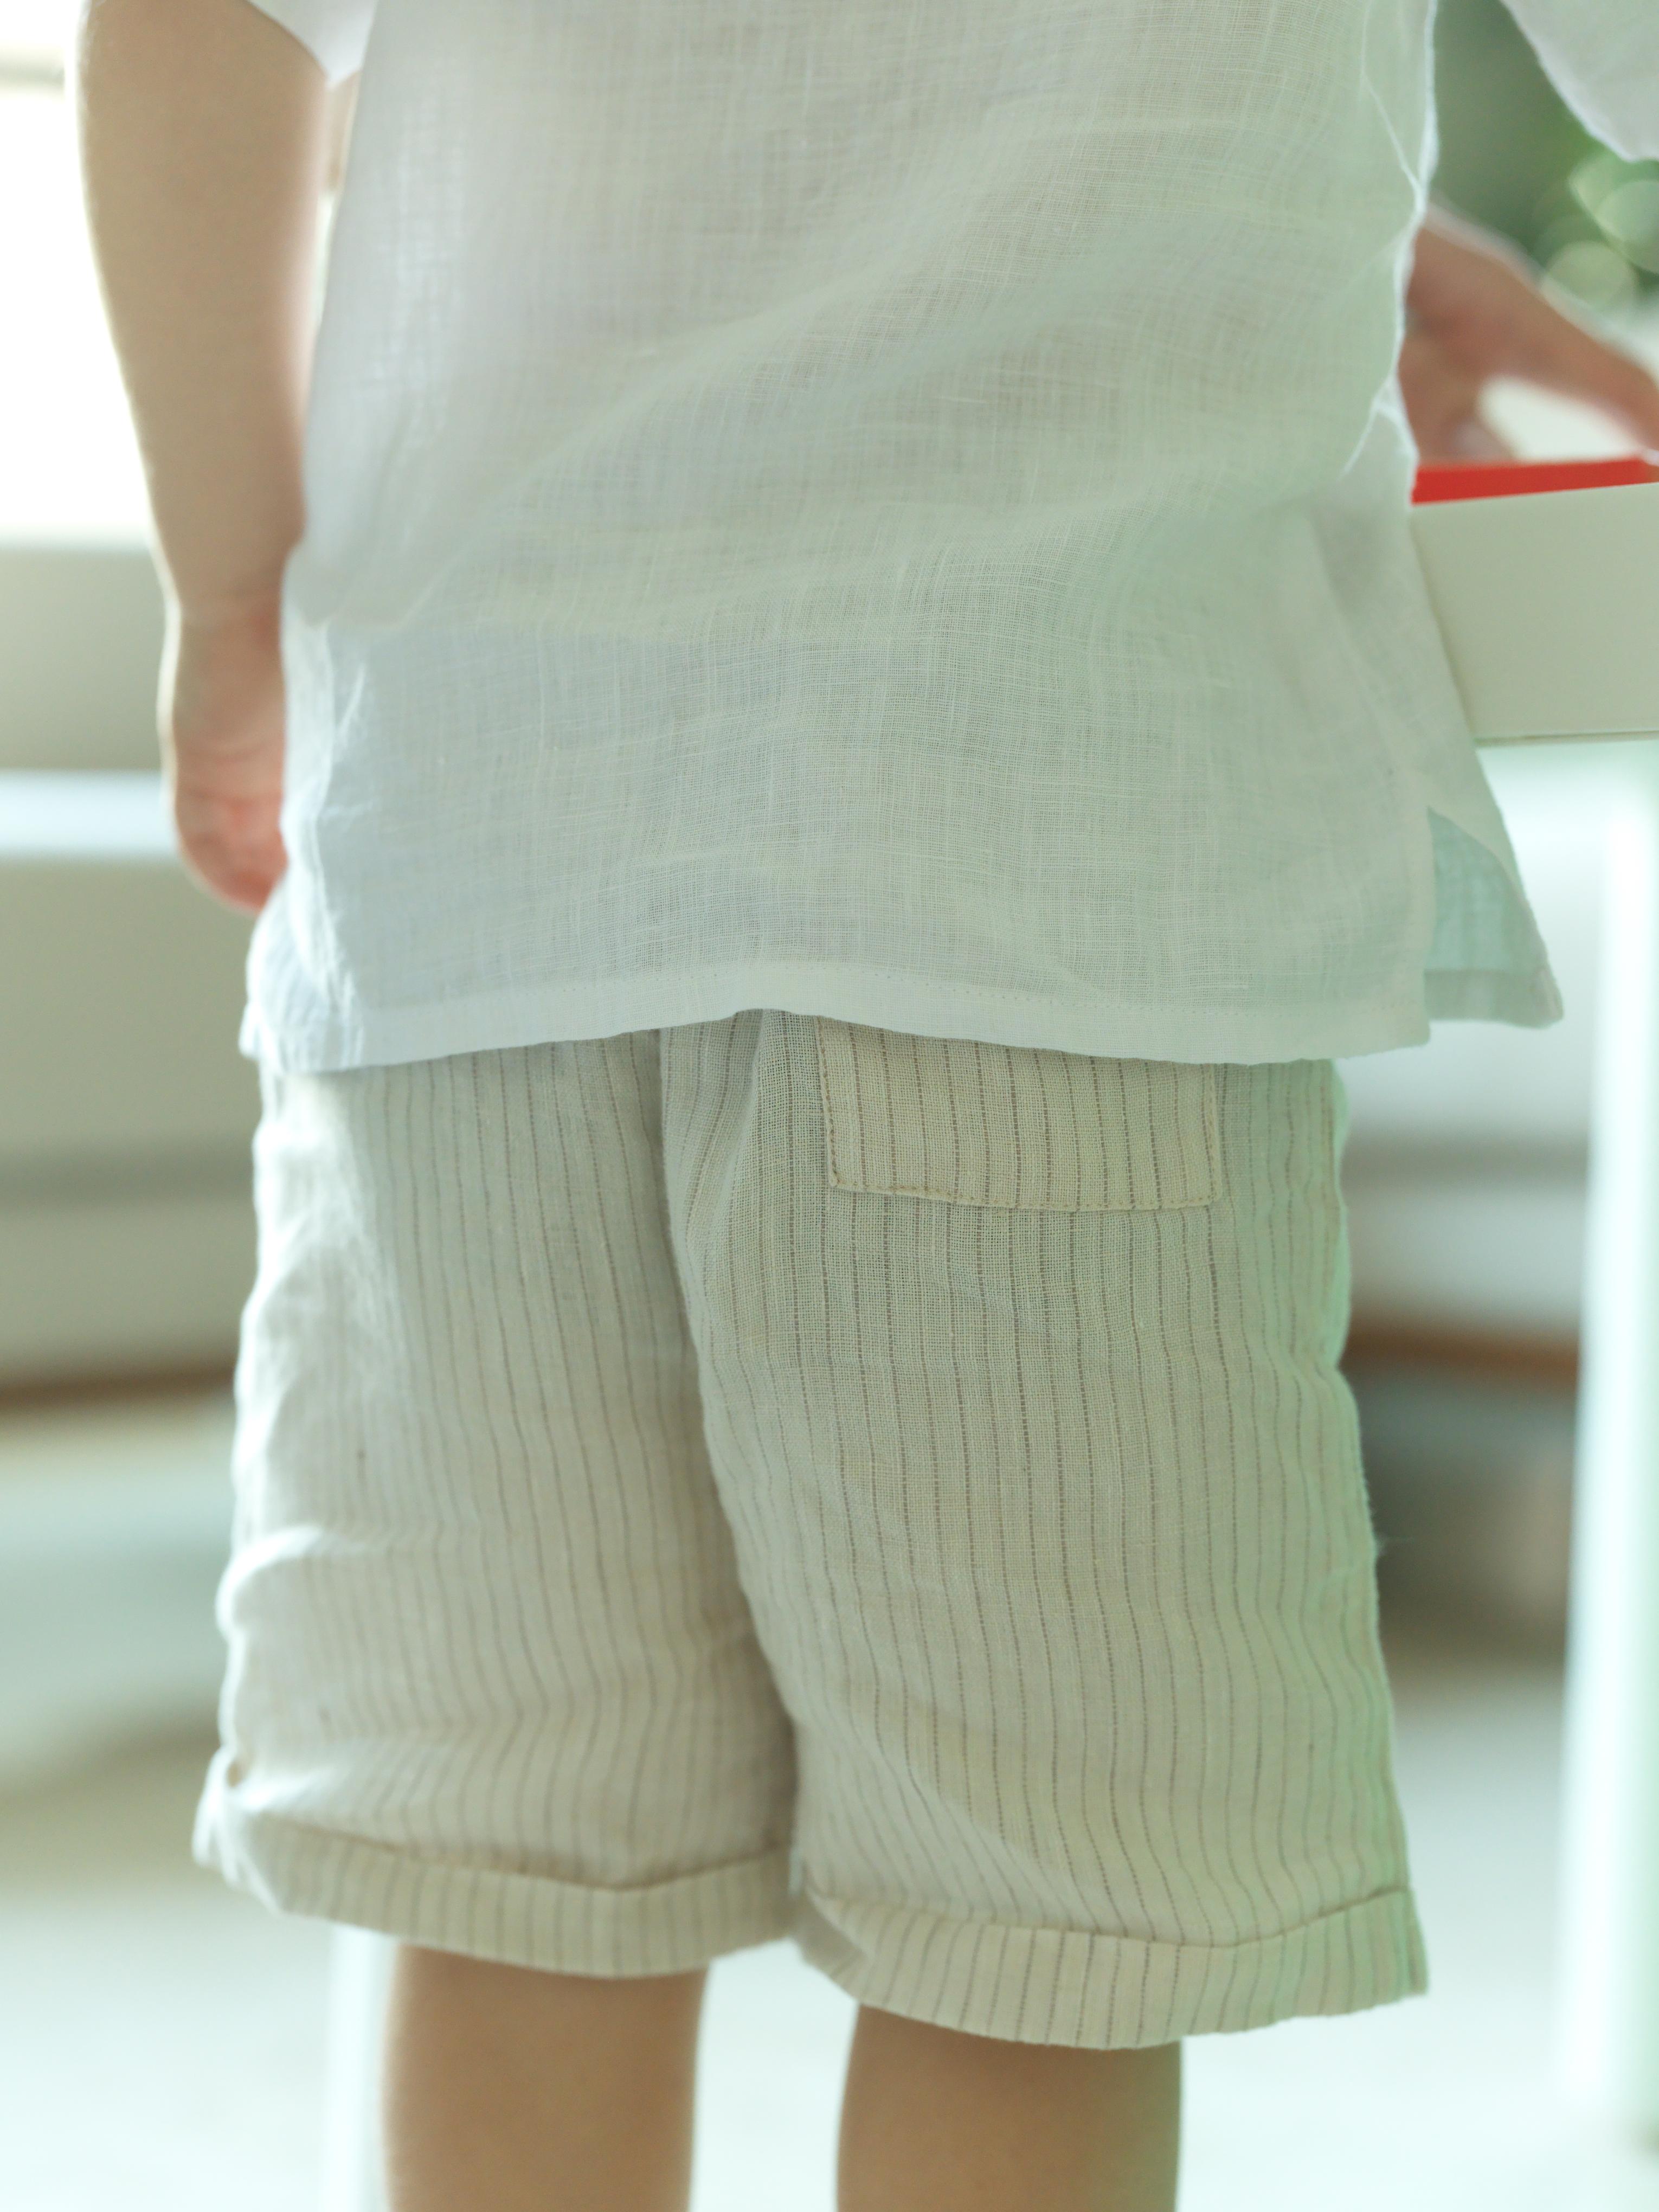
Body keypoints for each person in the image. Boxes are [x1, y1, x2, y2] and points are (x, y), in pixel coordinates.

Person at [73, 4, 1659, 2208]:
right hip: (1043, 880)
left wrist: (233, 582)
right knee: (1039, 1934)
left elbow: (189, 28)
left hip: (477, 876)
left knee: (525, 1880)